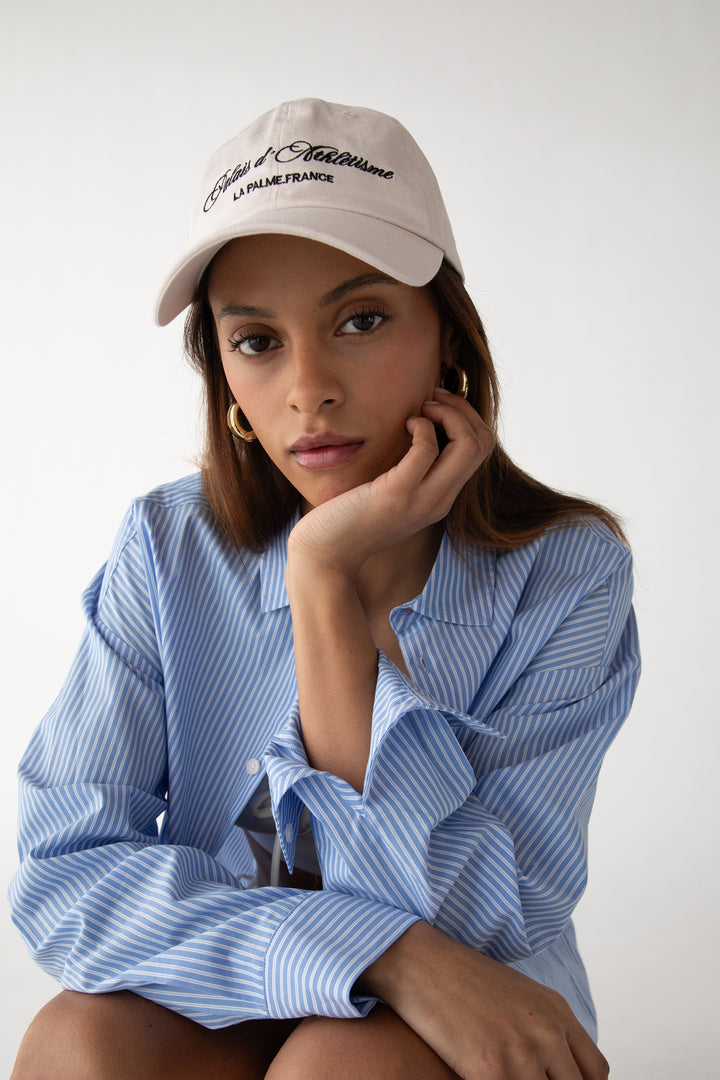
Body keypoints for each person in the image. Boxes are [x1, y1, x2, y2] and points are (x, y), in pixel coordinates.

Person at [9, 99, 639, 1079]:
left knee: (339, 1068)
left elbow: (479, 921)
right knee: (76, 1043)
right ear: (224, 381)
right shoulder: (170, 544)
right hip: (237, 972)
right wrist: (379, 954)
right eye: (258, 341)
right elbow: (67, 874)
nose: (309, 389)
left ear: (451, 342)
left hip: (467, 1008)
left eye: (361, 319)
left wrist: (323, 582)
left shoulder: (565, 571)